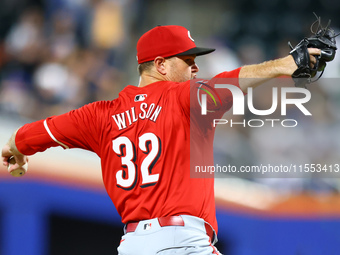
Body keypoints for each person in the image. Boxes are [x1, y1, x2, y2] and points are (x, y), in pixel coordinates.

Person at [2, 25, 321, 254]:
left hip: (132, 245)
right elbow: (232, 80)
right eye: (188, 60)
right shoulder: (184, 99)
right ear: (160, 64)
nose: (196, 67)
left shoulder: (98, 116)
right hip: (183, 241)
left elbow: (34, 133)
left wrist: (16, 150)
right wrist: (288, 64)